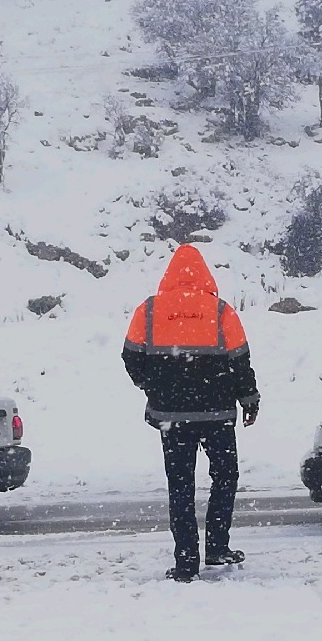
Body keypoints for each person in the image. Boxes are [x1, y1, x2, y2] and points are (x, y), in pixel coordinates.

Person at [122, 244, 260, 583]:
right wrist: (249, 398)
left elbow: (130, 356)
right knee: (225, 478)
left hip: (172, 415)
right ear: (205, 275)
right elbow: (240, 361)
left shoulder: (149, 310)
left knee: (180, 486)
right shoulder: (221, 310)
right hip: (217, 415)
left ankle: (186, 562)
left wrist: (151, 385)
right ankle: (216, 545)